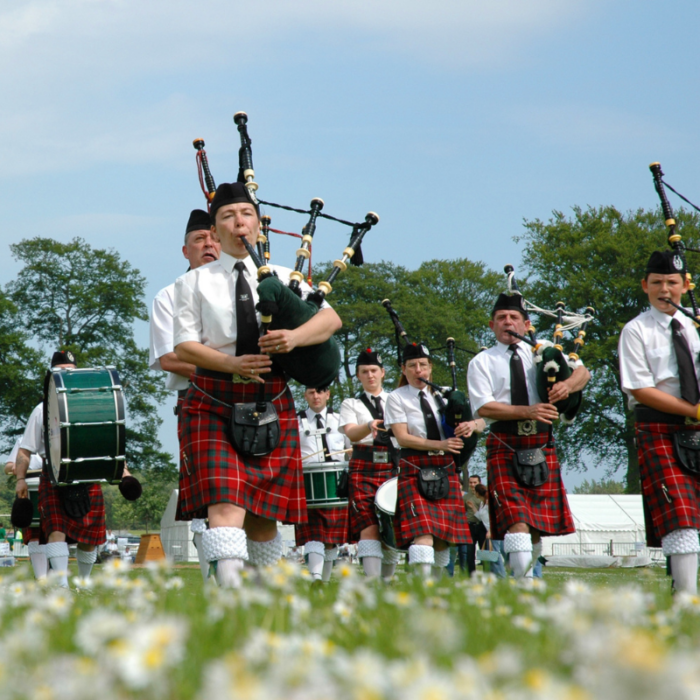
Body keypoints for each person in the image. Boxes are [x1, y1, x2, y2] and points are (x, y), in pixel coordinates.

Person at [173, 182, 342, 588]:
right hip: (215, 399)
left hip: (272, 400)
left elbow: (330, 321)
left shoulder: (285, 277)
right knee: (226, 505)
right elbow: (185, 345)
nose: (239, 223)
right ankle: (230, 595)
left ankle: (264, 598)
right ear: (215, 230)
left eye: (246, 215)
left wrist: (295, 338)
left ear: (258, 225)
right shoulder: (193, 283)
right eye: (228, 217)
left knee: (265, 518)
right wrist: (231, 363)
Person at [467, 293, 589, 578]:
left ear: (526, 323)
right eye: (501, 318)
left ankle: (528, 582)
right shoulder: (481, 362)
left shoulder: (544, 350)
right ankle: (521, 584)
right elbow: (484, 407)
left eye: (513, 318)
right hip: (505, 443)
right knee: (517, 522)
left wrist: (568, 386)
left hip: (541, 442)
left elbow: (583, 372)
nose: (507, 322)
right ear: (492, 325)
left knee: (534, 527)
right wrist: (529, 411)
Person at [14, 351, 139, 587]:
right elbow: (25, 450)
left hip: (87, 475)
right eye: (61, 371)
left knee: (90, 538)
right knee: (55, 531)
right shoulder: (41, 410)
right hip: (53, 478)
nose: (66, 375)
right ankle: (61, 586)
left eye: (71, 371)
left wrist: (125, 473)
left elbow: (109, 442)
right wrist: (20, 479)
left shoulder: (91, 406)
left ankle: (83, 585)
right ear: (52, 376)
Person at [619, 250, 700, 594]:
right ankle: (686, 598)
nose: (665, 289)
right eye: (657, 283)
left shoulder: (695, 325)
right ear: (645, 286)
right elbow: (639, 387)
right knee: (681, 518)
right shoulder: (636, 330)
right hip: (660, 429)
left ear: (685, 284)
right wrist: (693, 411)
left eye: (672, 282)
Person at [149, 208, 220, 582]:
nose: (208, 245)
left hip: (254, 402)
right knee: (206, 501)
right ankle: (214, 585)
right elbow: (169, 358)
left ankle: (254, 583)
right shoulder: (169, 296)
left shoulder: (247, 289)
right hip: (201, 403)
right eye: (199, 240)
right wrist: (231, 369)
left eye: (214, 239)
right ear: (185, 251)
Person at [384, 343, 474, 578]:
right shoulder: (396, 397)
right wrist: (440, 445)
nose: (418, 370)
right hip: (415, 466)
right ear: (403, 369)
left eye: (423, 365)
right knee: (423, 533)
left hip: (446, 467)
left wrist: (469, 423)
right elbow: (402, 437)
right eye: (412, 366)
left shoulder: (445, 395)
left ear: (430, 367)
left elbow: (476, 423)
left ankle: (437, 589)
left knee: (443, 537)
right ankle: (422, 589)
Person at [338, 348, 402, 580]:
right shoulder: (350, 404)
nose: (370, 375)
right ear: (358, 375)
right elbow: (352, 434)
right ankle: (373, 583)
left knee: (391, 525)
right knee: (369, 525)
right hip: (363, 466)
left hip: (392, 465)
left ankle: (387, 582)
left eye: (374, 370)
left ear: (383, 372)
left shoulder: (395, 400)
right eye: (364, 371)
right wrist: (368, 426)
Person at [295, 385, 349, 582]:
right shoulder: (295, 422)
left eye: (320, 391)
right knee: (314, 535)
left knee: (331, 539)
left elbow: (351, 449)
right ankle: (315, 578)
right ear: (305, 395)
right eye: (311, 392)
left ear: (328, 394)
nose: (315, 396)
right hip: (307, 483)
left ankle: (322, 583)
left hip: (336, 484)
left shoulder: (341, 420)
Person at [6, 437, 46, 578]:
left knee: (58, 534)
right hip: (28, 489)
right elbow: (8, 467)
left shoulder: (58, 436)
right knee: (34, 536)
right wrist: (15, 467)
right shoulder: (23, 439)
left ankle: (55, 577)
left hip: (53, 487)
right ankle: (41, 579)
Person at [463, 474, 487, 575]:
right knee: (469, 552)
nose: (472, 485)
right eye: (471, 482)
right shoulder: (466, 496)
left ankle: (487, 573)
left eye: (475, 482)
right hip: (470, 526)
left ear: (479, 483)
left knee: (484, 551)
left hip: (482, 525)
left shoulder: (483, 495)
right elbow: (463, 510)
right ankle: (471, 575)